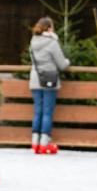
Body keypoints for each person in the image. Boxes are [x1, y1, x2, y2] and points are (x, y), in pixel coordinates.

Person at [28, 16, 70, 154]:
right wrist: (68, 62)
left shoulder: (33, 41)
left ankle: (35, 142)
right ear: (49, 28)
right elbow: (62, 64)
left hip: (35, 79)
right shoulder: (52, 42)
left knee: (37, 110)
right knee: (47, 111)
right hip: (49, 79)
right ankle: (44, 143)